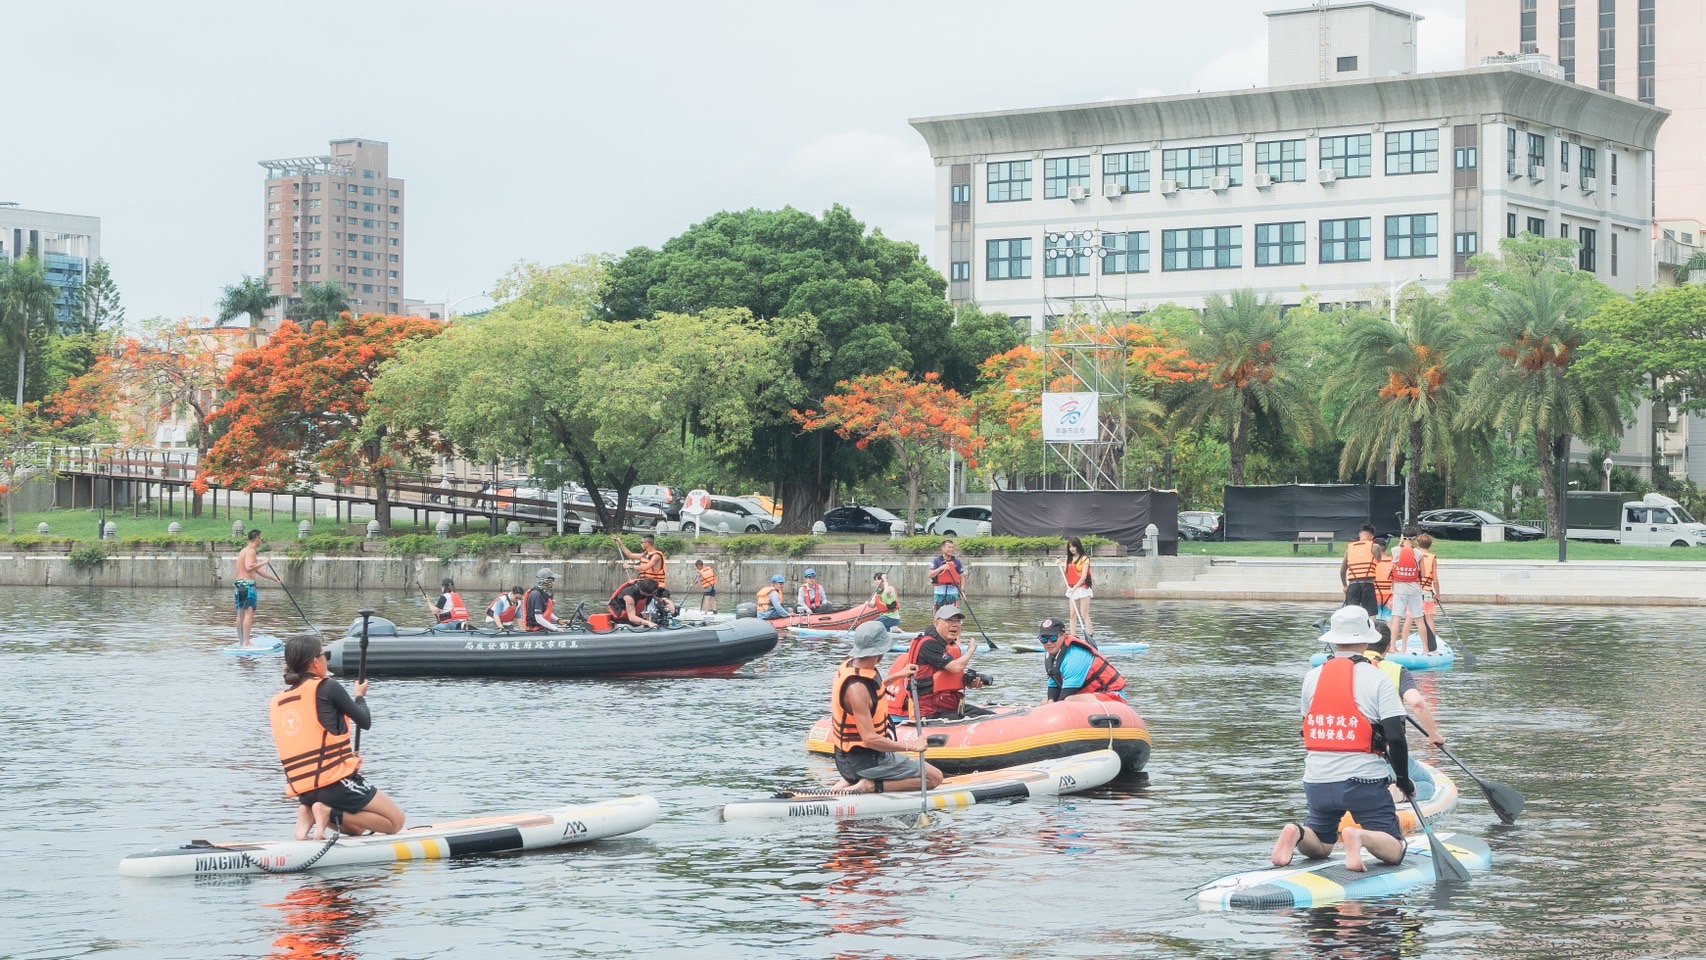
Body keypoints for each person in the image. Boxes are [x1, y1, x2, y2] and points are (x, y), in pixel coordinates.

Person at [1270, 606, 1413, 873]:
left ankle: (1297, 832)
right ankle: (1359, 836)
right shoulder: (1379, 679)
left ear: (1333, 640)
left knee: (1322, 846)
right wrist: (1403, 781)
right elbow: (1396, 736)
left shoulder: (1312, 677)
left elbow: (1306, 727)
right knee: (1395, 849)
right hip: (1363, 783)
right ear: (1367, 639)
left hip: (1317, 780)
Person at [271, 635, 405, 841]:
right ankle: (325, 812)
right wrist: (359, 696)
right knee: (395, 822)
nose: (327, 659)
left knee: (356, 829)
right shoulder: (327, 686)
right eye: (325, 655)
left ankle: (308, 814)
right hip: (333, 783)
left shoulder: (279, 701)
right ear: (315, 662)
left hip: (304, 791)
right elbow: (364, 721)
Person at [829, 621, 943, 794]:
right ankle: (870, 785)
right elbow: (869, 739)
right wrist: (911, 746)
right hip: (866, 762)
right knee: (934, 777)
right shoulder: (857, 690)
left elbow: (872, 693)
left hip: (851, 759)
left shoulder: (852, 665)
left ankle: (852, 780)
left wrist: (899, 675)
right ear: (880, 651)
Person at [1367, 623, 1442, 803]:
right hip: (1384, 752)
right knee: (1426, 783)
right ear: (1388, 646)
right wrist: (1433, 734)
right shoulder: (1396, 670)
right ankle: (1397, 792)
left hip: (1347, 752)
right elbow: (1417, 703)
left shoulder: (1345, 668)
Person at [900, 604, 990, 720]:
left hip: (950, 705)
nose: (954, 624)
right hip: (932, 711)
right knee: (981, 722)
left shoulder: (948, 646)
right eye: (949, 620)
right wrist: (971, 650)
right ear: (936, 623)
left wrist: (968, 682)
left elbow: (947, 677)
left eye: (958, 621)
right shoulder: (929, 644)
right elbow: (956, 667)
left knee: (991, 717)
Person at [1037, 616, 1127, 702]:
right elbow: (1053, 686)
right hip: (1086, 695)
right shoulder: (1052, 657)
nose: (1048, 643)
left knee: (1069, 700)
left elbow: (1065, 698)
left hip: (1113, 696)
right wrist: (1050, 702)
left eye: (1053, 638)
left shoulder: (1074, 658)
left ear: (1063, 635)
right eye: (1044, 639)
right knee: (1045, 702)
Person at [234, 529, 286, 649]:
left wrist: (273, 578)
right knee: (248, 614)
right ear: (256, 538)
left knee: (240, 614)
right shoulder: (251, 551)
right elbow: (249, 566)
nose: (261, 540)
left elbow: (255, 569)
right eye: (261, 538)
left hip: (239, 585)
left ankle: (242, 641)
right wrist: (264, 562)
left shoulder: (244, 551)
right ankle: (246, 642)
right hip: (247, 586)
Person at [1387, 526, 1426, 654]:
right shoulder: (1419, 553)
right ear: (1415, 539)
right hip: (1414, 589)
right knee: (1419, 619)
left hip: (1399, 590)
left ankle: (1392, 647)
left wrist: (1401, 542)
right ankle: (1425, 650)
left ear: (1402, 537)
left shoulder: (1394, 550)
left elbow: (1394, 564)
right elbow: (1424, 574)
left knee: (1396, 618)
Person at [1340, 524, 1379, 617]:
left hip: (1353, 585)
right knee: (1371, 614)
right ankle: (1371, 630)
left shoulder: (1349, 549)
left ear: (1360, 534)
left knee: (1351, 614)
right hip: (1368, 584)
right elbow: (1379, 562)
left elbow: (1342, 571)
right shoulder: (1374, 546)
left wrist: (1345, 586)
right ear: (1372, 537)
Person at [1062, 536, 1094, 642]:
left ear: (1078, 546)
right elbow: (1066, 572)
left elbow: (1084, 576)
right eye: (1070, 547)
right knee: (1072, 614)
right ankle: (1073, 637)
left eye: (1074, 546)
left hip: (1082, 588)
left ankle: (1090, 637)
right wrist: (1060, 564)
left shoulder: (1085, 558)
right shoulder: (1068, 558)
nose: (1072, 549)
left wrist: (1074, 588)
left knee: (1084, 613)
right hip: (1072, 589)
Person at [1416, 533, 1442, 651]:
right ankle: (1432, 646)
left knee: (1411, 618)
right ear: (1430, 545)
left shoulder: (1414, 555)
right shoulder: (1432, 558)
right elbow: (1435, 580)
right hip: (1427, 591)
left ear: (1418, 543)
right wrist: (1437, 594)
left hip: (1415, 591)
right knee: (1429, 618)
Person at [522, 568, 564, 632]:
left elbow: (546, 612)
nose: (553, 582)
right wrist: (556, 629)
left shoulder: (542, 594)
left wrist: (557, 620)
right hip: (535, 630)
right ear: (545, 581)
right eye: (552, 580)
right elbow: (538, 618)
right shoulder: (537, 595)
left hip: (541, 628)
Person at [1371, 538, 1392, 619]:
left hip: (1375, 593)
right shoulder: (1393, 561)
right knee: (1389, 618)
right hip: (1390, 595)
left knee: (1374, 617)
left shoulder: (1373, 562)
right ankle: (1390, 632)